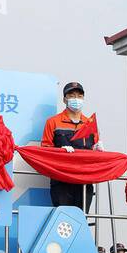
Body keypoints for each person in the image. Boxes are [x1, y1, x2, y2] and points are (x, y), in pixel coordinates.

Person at [39, 81, 98, 214]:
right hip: (61, 181)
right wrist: (60, 152)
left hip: (84, 181)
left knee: (81, 220)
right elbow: (45, 150)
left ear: (83, 98)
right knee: (63, 220)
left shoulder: (90, 124)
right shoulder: (53, 122)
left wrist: (98, 148)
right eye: (71, 95)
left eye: (79, 96)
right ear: (64, 99)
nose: (76, 99)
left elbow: (95, 153)